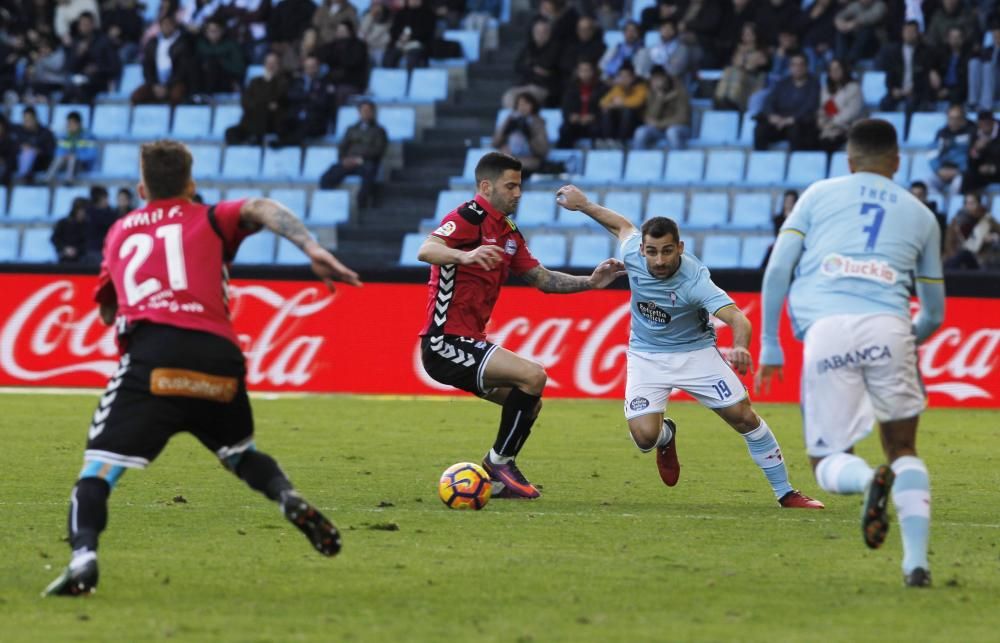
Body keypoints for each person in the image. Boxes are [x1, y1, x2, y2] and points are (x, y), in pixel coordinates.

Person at [43, 139, 362, 597]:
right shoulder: (210, 217)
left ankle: (83, 558)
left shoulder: (119, 233)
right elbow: (260, 207)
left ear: (140, 188)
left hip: (154, 358)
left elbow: (109, 313)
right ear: (191, 185)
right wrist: (309, 246)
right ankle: (285, 495)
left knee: (96, 472)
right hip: (217, 356)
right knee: (239, 453)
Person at [757, 118, 946, 587]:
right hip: (890, 327)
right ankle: (916, 565)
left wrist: (770, 342)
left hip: (829, 331)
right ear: (897, 162)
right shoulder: (922, 214)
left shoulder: (819, 194)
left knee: (828, 461)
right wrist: (906, 339)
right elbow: (936, 313)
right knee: (904, 448)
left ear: (849, 160)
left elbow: (779, 268)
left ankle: (868, 482)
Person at [554, 183, 824, 508]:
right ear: (641, 250)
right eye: (652, 251)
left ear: (680, 247)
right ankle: (666, 436)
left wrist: (741, 347)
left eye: (667, 250)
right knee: (644, 439)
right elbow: (620, 226)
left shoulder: (696, 281)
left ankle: (786, 492)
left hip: (695, 353)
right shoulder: (632, 253)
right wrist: (583, 204)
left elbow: (739, 319)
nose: (659, 259)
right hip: (646, 355)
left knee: (743, 416)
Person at [415, 152, 626, 499]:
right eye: (510, 186)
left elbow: (542, 279)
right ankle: (498, 465)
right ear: (486, 186)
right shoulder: (468, 216)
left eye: (519, 186)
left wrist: (591, 282)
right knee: (533, 376)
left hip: (466, 342)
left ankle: (497, 473)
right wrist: (464, 256)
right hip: (443, 342)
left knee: (528, 400)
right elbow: (427, 249)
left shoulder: (508, 231)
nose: (518, 193)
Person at [320, 100, 387, 208]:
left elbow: (378, 150)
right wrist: (344, 159)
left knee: (369, 174)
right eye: (363, 110)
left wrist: (359, 159)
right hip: (349, 162)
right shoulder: (351, 129)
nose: (365, 113)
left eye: (368, 111)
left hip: (366, 162)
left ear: (373, 112)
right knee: (328, 176)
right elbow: (342, 147)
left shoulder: (379, 131)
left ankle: (362, 205)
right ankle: (329, 204)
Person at [753, 53, 820, 151]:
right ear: (790, 67)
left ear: (806, 67)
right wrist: (772, 116)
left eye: (800, 65)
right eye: (794, 65)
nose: (797, 68)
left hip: (799, 123)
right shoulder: (782, 83)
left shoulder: (814, 85)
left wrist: (792, 119)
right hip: (779, 122)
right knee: (760, 128)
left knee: (797, 130)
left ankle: (796, 161)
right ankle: (760, 160)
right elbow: (769, 101)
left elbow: (810, 106)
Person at [225, 52, 288, 145]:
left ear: (279, 65)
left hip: (269, 122)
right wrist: (264, 103)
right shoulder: (254, 82)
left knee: (262, 113)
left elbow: (276, 98)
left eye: (274, 63)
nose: (270, 66)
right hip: (249, 121)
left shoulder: (283, 82)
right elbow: (245, 101)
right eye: (268, 63)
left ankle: (254, 140)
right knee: (230, 132)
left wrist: (269, 82)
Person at [131, 13, 195, 105]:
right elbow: (147, 67)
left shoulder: (183, 43)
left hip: (174, 82)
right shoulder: (152, 43)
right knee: (136, 96)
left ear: (174, 26)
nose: (166, 27)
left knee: (176, 96)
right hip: (155, 84)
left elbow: (182, 70)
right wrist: (154, 84)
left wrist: (167, 86)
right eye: (164, 25)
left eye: (169, 24)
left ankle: (175, 118)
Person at [876, 21, 933, 113]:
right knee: (885, 103)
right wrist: (893, 90)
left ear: (918, 33)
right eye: (907, 31)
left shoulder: (925, 52)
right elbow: (890, 75)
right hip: (898, 91)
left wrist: (913, 90)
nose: (909, 34)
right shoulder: (894, 52)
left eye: (912, 31)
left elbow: (924, 78)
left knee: (911, 105)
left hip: (917, 92)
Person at [631, 65, 691, 150]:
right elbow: (650, 118)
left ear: (665, 78)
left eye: (658, 79)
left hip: (680, 129)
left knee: (672, 132)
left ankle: (677, 161)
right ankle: (638, 161)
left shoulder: (680, 92)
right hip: (660, 130)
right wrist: (659, 99)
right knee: (640, 132)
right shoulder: (651, 93)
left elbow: (682, 119)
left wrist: (659, 124)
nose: (655, 82)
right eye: (653, 79)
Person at [492, 92, 549, 174]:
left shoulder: (538, 123)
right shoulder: (510, 119)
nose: (523, 108)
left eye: (526, 104)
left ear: (533, 106)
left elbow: (543, 151)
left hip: (528, 160)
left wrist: (529, 135)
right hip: (509, 158)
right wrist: (505, 132)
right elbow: (495, 143)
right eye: (520, 104)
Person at [816, 58, 863, 154]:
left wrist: (832, 123)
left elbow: (851, 113)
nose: (834, 72)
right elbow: (823, 110)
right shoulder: (826, 90)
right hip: (827, 128)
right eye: (831, 70)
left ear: (844, 70)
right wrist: (821, 121)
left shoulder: (854, 88)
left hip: (846, 128)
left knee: (828, 142)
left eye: (837, 69)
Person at [943, 191, 1000, 269]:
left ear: (979, 204)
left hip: (981, 259)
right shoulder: (956, 221)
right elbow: (949, 243)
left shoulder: (987, 220)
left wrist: (994, 237)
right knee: (961, 256)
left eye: (972, 203)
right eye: (967, 203)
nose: (969, 206)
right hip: (959, 258)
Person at [927, 104, 975, 195]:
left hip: (961, 172)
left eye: (957, 118)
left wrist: (959, 171)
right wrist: (938, 170)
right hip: (942, 170)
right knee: (927, 184)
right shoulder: (942, 133)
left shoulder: (972, 131)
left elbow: (972, 156)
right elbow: (932, 152)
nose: (954, 121)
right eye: (951, 118)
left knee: (957, 185)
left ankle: (952, 207)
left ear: (964, 119)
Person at [557, 59, 606, 149]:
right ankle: (563, 156)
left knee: (597, 129)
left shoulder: (602, 88)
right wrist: (571, 116)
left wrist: (593, 117)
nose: (584, 73)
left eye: (587, 70)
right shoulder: (571, 88)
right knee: (565, 129)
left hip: (595, 122)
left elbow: (604, 107)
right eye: (582, 70)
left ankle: (596, 157)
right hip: (576, 122)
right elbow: (565, 107)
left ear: (593, 71)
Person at [598, 62, 647, 145]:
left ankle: (621, 141)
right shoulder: (617, 88)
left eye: (626, 76)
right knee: (607, 112)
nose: (624, 79)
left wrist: (622, 102)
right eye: (621, 76)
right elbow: (603, 102)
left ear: (633, 77)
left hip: (636, 121)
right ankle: (608, 140)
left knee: (628, 111)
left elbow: (637, 102)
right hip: (619, 122)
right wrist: (613, 105)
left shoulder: (641, 87)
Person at [194, 19, 246, 95]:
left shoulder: (231, 45)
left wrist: (220, 62)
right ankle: (195, 94)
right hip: (203, 81)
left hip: (226, 80)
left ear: (222, 31)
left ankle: (207, 94)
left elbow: (239, 68)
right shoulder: (201, 45)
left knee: (212, 63)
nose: (213, 33)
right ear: (205, 33)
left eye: (216, 30)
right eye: (210, 30)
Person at [46, 111, 98, 183]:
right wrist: (65, 155)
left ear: (79, 124)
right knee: (59, 157)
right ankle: (47, 178)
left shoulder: (88, 136)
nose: (70, 126)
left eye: (72, 123)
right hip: (66, 163)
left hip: (83, 164)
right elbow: (58, 151)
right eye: (69, 123)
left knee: (72, 157)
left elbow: (92, 154)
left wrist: (77, 156)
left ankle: (69, 180)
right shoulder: (64, 136)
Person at [832, 0, 886, 64]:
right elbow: (840, 15)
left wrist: (854, 23)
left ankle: (851, 60)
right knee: (841, 31)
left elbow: (872, 17)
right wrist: (840, 23)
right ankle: (839, 59)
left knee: (866, 30)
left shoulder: (880, 5)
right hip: (858, 40)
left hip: (876, 41)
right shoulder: (856, 5)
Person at [14, 106, 56, 182]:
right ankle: (23, 175)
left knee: (30, 153)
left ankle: (24, 175)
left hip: (40, 162)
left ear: (35, 118)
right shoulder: (19, 131)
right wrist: (21, 147)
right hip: (19, 161)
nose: (27, 121)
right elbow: (13, 146)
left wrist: (38, 151)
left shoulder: (45, 133)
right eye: (25, 119)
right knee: (25, 153)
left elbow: (51, 150)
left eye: (29, 119)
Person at [962, 110, 1000, 192]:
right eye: (981, 124)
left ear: (993, 122)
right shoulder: (974, 133)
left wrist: (994, 168)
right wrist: (976, 150)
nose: (984, 126)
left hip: (997, 169)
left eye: (987, 123)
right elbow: (971, 163)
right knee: (968, 177)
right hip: (983, 172)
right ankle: (969, 202)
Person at [51, 197, 90, 263]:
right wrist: (65, 249)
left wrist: (77, 250)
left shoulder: (88, 225)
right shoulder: (63, 223)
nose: (82, 213)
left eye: (84, 210)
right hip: (64, 258)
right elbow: (54, 239)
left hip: (82, 260)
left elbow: (88, 243)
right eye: (80, 210)